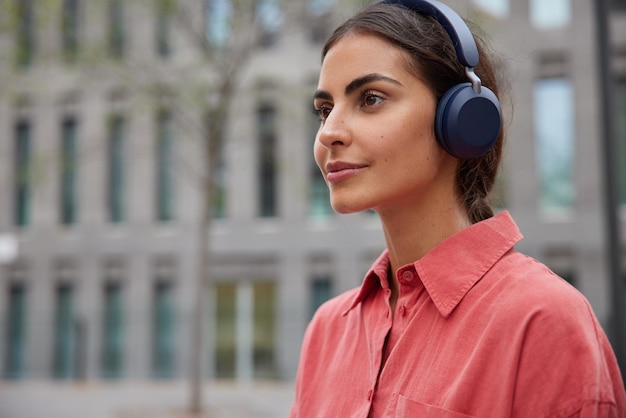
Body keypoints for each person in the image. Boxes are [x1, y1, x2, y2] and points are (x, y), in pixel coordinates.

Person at [289, 0, 626, 417]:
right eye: (325, 110)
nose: (330, 133)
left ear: (462, 120)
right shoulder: (328, 329)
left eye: (371, 99)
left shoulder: (542, 320)